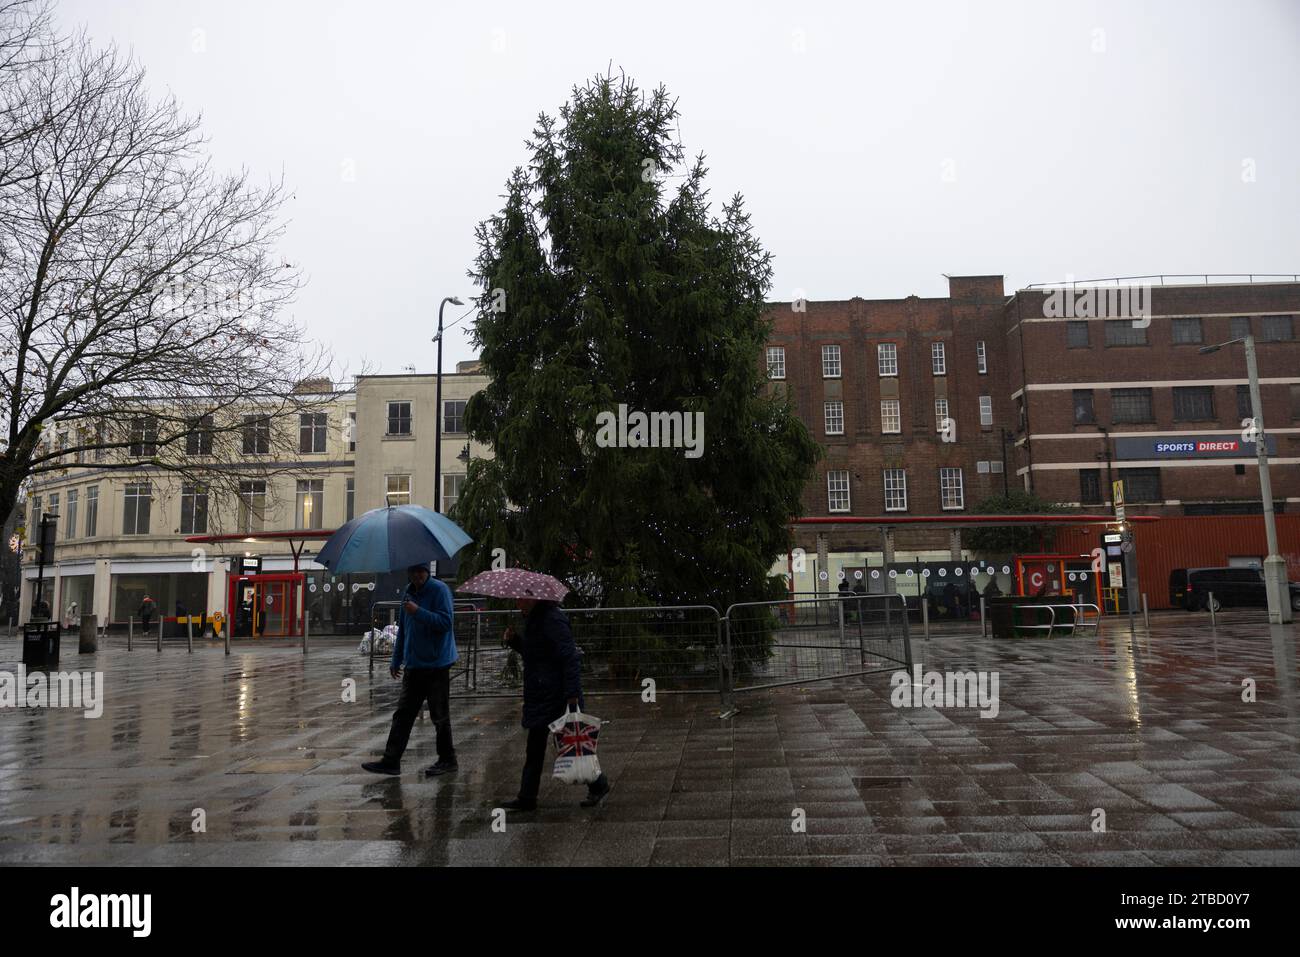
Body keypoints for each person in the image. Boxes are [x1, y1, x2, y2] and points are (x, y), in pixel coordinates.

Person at [501, 597, 610, 811]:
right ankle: (527, 796)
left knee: (571, 742)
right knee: (537, 746)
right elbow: (536, 655)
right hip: (541, 692)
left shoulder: (552, 619)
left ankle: (598, 783)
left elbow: (569, 657)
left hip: (557, 693)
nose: (517, 603)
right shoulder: (534, 619)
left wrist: (572, 694)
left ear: (533, 598)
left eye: (521, 599)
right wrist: (515, 641)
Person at [362, 563, 458, 778]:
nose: (417, 576)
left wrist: (419, 611)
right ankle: (391, 761)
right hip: (414, 664)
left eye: (421, 571)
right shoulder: (408, 591)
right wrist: (396, 659)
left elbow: (445, 622)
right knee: (403, 715)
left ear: (427, 571)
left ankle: (448, 759)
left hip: (437, 664)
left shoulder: (440, 590)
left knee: (439, 716)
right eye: (413, 572)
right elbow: (403, 627)